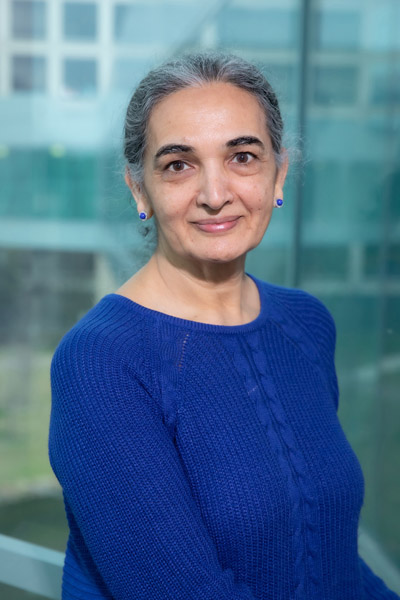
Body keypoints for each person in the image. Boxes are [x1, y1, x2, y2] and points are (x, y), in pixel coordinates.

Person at [48, 52, 399, 600]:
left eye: (241, 156)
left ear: (278, 174)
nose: (215, 193)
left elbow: (335, 562)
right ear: (140, 190)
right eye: (178, 165)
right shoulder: (101, 361)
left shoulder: (306, 325)